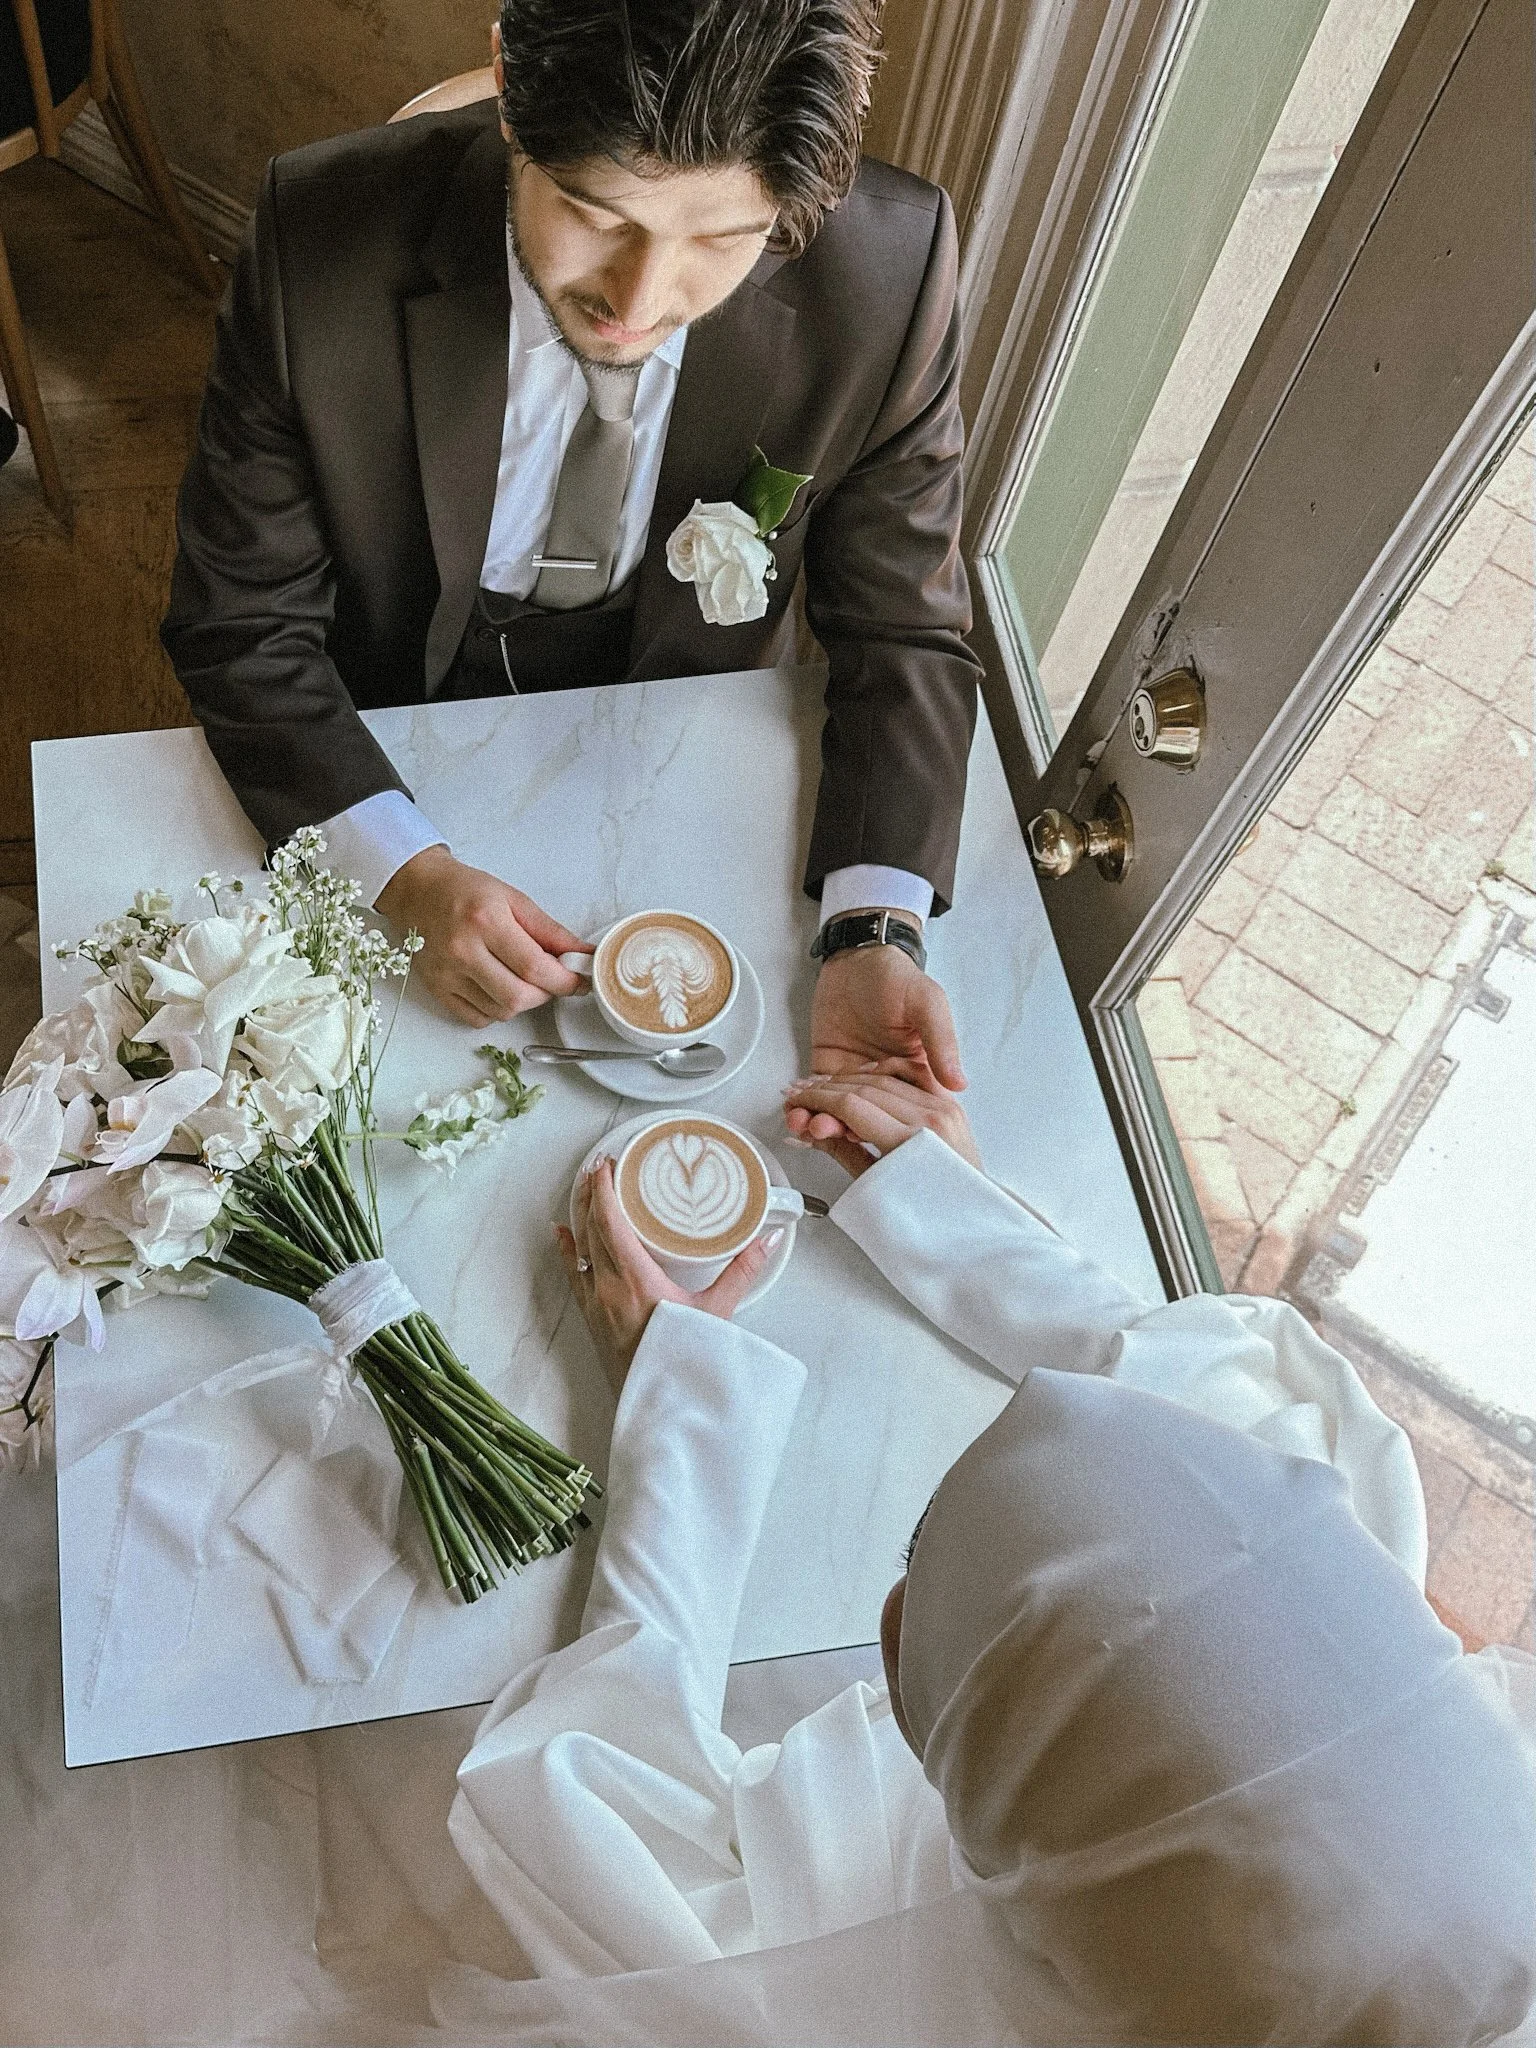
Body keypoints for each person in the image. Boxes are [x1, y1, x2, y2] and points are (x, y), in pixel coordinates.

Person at [432, 1070, 1536, 2046]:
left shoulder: (815, 1979)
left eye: (919, 1562)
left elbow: (583, 1794)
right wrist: (946, 1211)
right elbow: (1230, 1413)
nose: (900, 1594)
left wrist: (683, 1405)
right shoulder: (1425, 1764)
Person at [161, 0, 979, 1117]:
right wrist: (402, 870)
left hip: (678, 763)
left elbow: (905, 627)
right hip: (374, 728)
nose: (641, 302)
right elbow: (238, 621)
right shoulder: (316, 240)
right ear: (505, 80)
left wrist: (873, 929)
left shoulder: (892, 272)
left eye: (719, 239)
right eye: (595, 212)